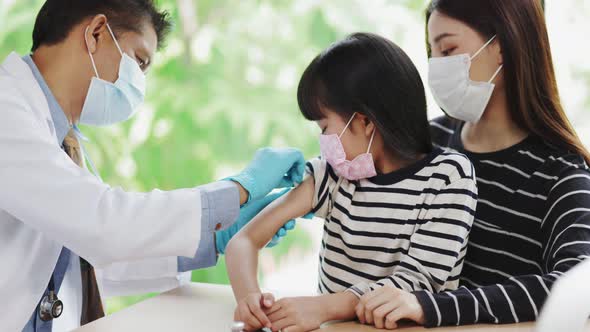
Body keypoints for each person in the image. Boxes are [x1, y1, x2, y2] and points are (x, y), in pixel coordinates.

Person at [0, 1, 300, 331]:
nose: (140, 83)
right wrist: (238, 190)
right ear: (96, 32)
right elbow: (104, 224)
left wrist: (216, 237)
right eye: (139, 61)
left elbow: (93, 254)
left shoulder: (64, 141)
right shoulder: (6, 110)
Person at [353, 0, 590, 329]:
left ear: (504, 47)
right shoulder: (426, 142)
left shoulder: (560, 171)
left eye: (448, 49)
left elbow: (574, 287)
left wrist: (431, 307)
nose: (436, 67)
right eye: (431, 53)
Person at [225, 32, 479, 332]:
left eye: (325, 126)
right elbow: (243, 241)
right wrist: (249, 299)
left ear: (365, 122)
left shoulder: (448, 177)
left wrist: (322, 307)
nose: (323, 141)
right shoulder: (333, 176)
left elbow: (415, 284)